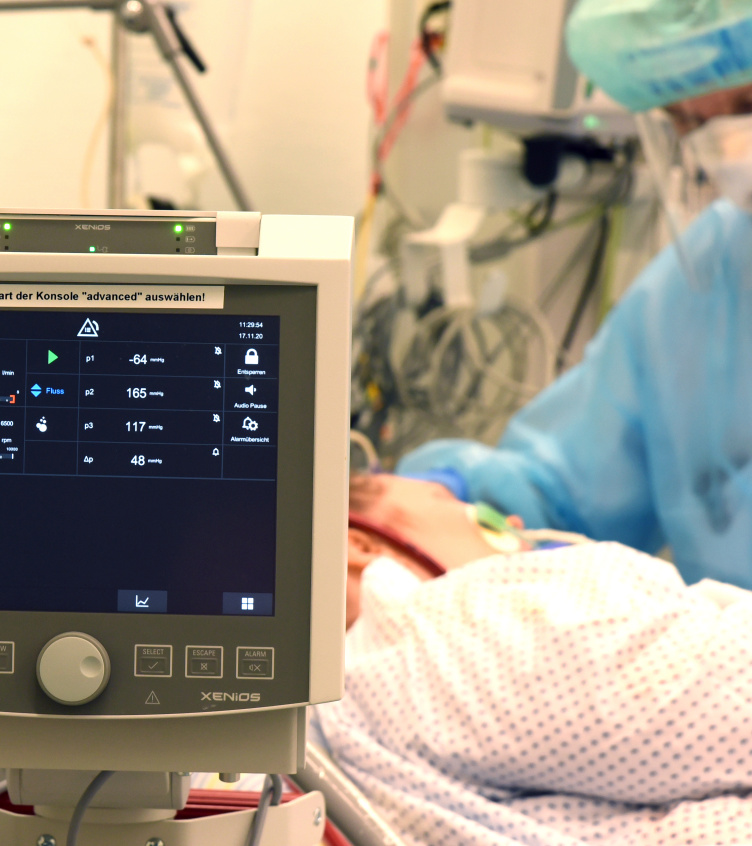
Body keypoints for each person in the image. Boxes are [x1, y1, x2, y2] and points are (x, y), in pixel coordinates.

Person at [398, 69, 752, 590]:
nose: (727, 149)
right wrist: (436, 506)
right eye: (687, 120)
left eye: (746, 106)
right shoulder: (709, 276)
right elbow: (566, 496)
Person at [314, 473, 752, 845]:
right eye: (459, 505)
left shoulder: (357, 716)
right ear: (360, 545)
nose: (515, 523)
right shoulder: (441, 627)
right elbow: (726, 695)